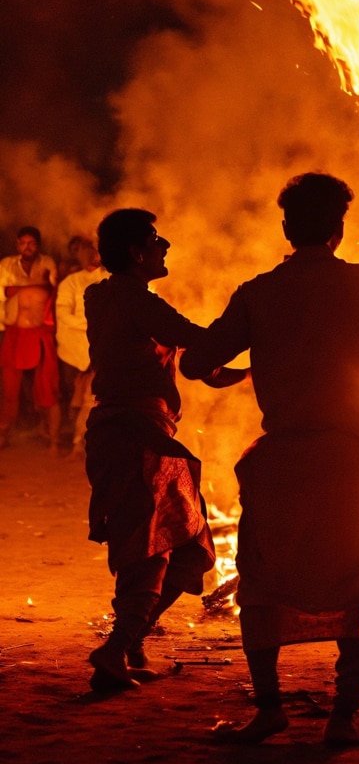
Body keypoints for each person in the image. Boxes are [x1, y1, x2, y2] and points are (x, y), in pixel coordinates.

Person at [179, 172, 359, 746]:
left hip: (284, 461)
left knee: (262, 581)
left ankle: (269, 709)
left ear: (287, 227)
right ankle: (343, 718)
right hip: (357, 458)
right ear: (338, 229)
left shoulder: (257, 293)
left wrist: (235, 366)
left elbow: (194, 363)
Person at [84, 209, 244, 690]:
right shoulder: (137, 300)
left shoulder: (101, 295)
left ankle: (130, 642)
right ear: (137, 253)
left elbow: (197, 361)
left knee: (174, 545)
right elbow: (200, 341)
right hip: (140, 436)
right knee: (155, 544)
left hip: (115, 431)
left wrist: (240, 371)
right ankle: (116, 650)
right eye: (156, 240)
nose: (165, 245)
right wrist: (262, 330)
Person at [0, 226, 60, 451]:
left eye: (32, 243)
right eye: (23, 243)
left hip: (40, 333)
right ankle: (4, 433)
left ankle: (52, 437)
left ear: (38, 245)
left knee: (47, 386)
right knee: (9, 389)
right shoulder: (6, 265)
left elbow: (54, 292)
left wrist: (21, 287)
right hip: (14, 332)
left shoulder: (47, 264)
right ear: (17, 245)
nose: (27, 247)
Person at [56, 237, 107, 455]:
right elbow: (63, 314)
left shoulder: (109, 279)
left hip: (101, 348)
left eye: (95, 252)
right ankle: (76, 440)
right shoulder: (71, 282)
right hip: (74, 350)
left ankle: (81, 443)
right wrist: (90, 323)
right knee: (75, 398)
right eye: (87, 252)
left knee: (92, 397)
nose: (91, 257)